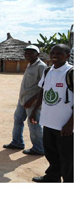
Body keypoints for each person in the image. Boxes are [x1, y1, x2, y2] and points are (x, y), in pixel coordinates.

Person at [30, 44, 73, 182]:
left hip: (65, 126)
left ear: (67, 56)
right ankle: (52, 177)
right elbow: (42, 91)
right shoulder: (48, 71)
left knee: (67, 158)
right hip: (48, 122)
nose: (54, 55)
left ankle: (69, 182)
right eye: (52, 52)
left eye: (59, 53)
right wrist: (34, 110)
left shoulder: (70, 73)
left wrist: (70, 124)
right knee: (51, 154)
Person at [3, 45, 46, 155]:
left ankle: (39, 148)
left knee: (34, 124)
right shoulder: (29, 65)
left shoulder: (41, 67)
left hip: (32, 102)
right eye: (26, 53)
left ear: (38, 54)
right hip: (22, 100)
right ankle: (17, 142)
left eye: (31, 52)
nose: (28, 55)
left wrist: (32, 100)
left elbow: (44, 87)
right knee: (18, 119)